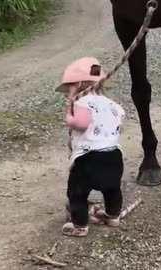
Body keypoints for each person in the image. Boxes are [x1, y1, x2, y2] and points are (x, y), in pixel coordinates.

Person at [55, 57, 125, 237]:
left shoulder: (80, 103)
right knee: (112, 188)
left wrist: (68, 118)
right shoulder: (113, 104)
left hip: (89, 157)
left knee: (77, 192)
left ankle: (79, 225)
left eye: (68, 90)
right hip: (113, 154)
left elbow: (81, 122)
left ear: (78, 84)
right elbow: (120, 124)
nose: (67, 96)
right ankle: (113, 215)